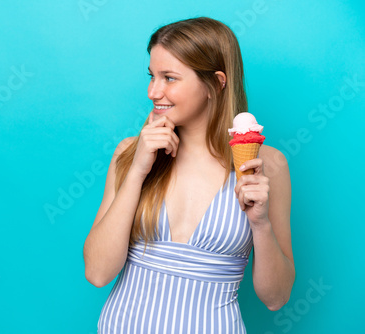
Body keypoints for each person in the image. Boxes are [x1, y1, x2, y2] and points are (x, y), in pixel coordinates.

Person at [83, 16, 295, 333]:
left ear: (217, 82)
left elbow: (276, 298)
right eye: (152, 76)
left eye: (169, 78)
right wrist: (138, 170)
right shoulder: (130, 152)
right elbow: (98, 273)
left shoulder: (267, 165)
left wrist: (260, 224)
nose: (153, 91)